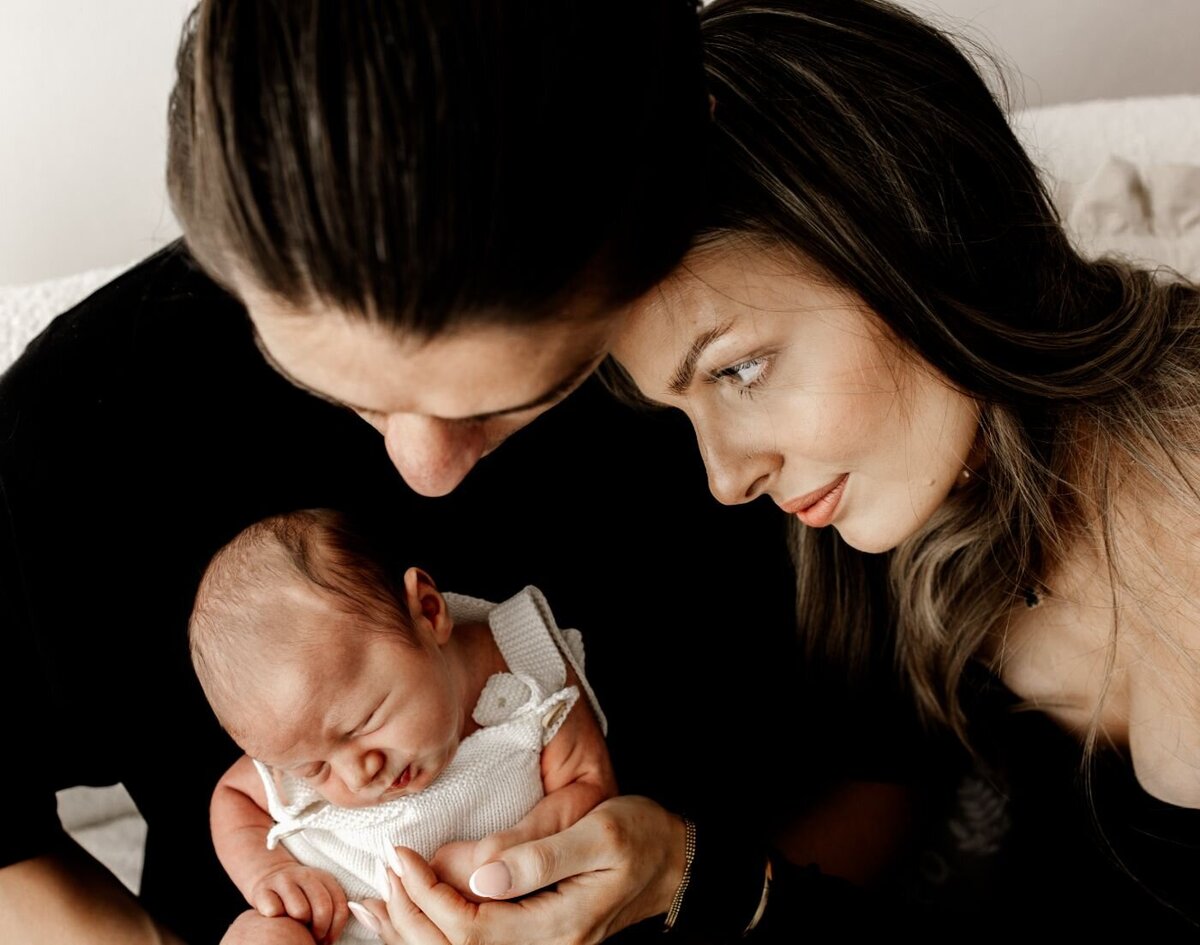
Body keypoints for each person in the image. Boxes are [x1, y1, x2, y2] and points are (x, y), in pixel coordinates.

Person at [1, 4, 884, 943]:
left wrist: (694, 883)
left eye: (512, 397)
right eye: (349, 393)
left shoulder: (777, 349)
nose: (424, 474)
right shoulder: (75, 432)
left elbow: (891, 764)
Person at [600, 0, 1200, 937]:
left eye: (741, 369)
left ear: (911, 230)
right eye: (684, 411)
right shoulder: (921, 549)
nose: (725, 477)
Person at [189, 509, 613, 944]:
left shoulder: (526, 665)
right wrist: (271, 874)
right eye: (316, 769)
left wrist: (519, 844)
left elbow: (589, 782)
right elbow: (234, 794)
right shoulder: (295, 739)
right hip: (347, 927)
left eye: (364, 723)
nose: (359, 775)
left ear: (428, 613)